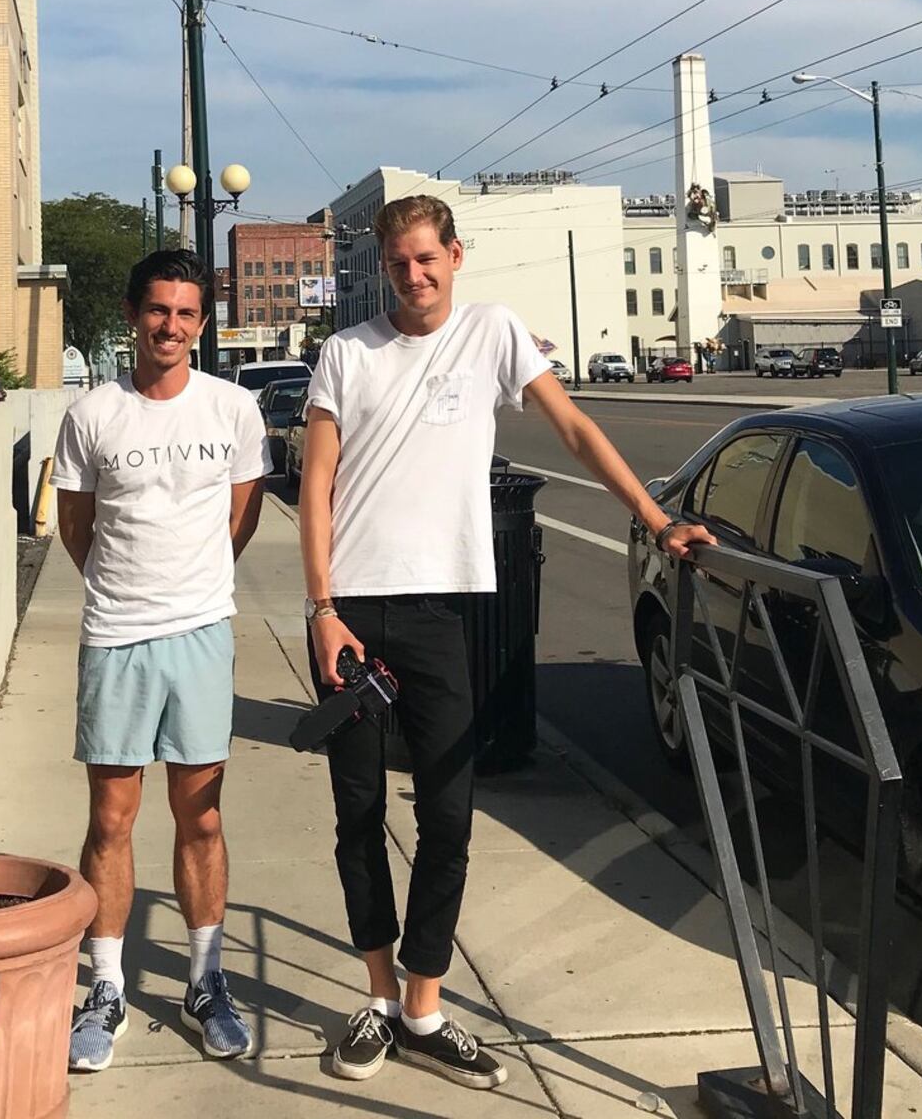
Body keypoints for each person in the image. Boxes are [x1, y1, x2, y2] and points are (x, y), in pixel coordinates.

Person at [299, 195, 715, 1089]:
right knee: (358, 813)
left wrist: (655, 518)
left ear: (456, 255)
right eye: (398, 262)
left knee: (449, 812)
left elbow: (572, 427)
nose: (414, 275)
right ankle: (376, 1000)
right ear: (384, 265)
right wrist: (321, 608)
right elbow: (320, 479)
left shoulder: (493, 332)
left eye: (427, 258)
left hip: (441, 613)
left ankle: (423, 1005)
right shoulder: (347, 351)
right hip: (353, 611)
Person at [51, 248, 269, 1073]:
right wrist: (125, 589)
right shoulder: (93, 415)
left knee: (201, 815)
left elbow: (238, 521)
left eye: (185, 313)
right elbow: (78, 527)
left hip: (202, 634)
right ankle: (105, 989)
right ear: (133, 315)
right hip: (116, 634)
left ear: (201, 324)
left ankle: (204, 980)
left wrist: (192, 587)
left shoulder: (234, 410)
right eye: (157, 311)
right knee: (111, 818)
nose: (170, 326)